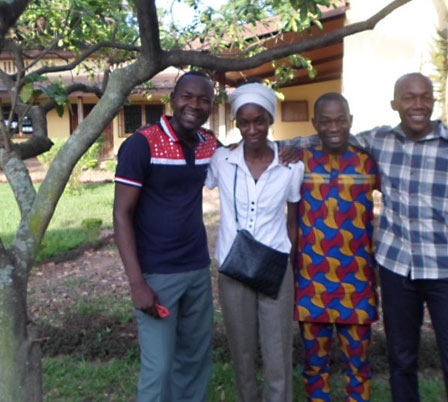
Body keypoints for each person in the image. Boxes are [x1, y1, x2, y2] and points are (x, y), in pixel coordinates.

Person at [285, 73, 448, 402]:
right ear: (395, 104)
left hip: (445, 273)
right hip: (396, 270)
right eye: (409, 98)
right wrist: (271, 146)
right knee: (401, 360)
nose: (418, 104)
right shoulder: (380, 141)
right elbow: (330, 136)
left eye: (425, 97)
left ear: (433, 101)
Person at [113, 71, 218, 402]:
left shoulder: (209, 144)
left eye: (203, 99)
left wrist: (292, 150)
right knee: (158, 369)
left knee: (194, 361)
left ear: (212, 105)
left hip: (197, 270)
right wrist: (136, 283)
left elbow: (252, 151)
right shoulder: (141, 144)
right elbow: (121, 215)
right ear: (173, 98)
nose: (194, 105)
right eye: (187, 96)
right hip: (157, 276)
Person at [205, 82, 304, 402]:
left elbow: (293, 218)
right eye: (244, 122)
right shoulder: (222, 159)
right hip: (233, 267)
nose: (252, 129)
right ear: (236, 124)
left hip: (275, 267)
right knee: (242, 351)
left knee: (277, 354)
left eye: (259, 120)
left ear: (270, 120)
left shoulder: (291, 164)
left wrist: (289, 262)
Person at [294, 93, 379, 402]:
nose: (334, 127)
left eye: (340, 120)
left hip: (356, 285)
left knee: (359, 367)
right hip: (311, 283)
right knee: (315, 367)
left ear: (350, 122)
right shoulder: (299, 161)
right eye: (326, 121)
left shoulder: (367, 162)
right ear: (315, 124)